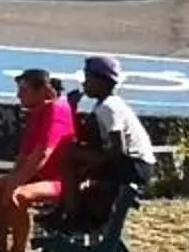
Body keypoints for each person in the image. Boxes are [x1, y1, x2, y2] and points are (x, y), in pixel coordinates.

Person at [0, 67, 77, 252]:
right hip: (42, 176)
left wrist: (16, 184)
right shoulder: (36, 113)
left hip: (63, 180)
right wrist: (11, 180)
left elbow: (43, 153)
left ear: (42, 91)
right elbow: (24, 156)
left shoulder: (56, 110)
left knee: (20, 195)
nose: (18, 95)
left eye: (24, 90)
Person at [58, 54, 158, 226]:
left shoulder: (109, 107)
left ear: (102, 82)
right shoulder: (105, 104)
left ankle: (71, 214)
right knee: (76, 152)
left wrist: (92, 164)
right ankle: (69, 208)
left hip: (134, 166)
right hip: (133, 164)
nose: (84, 84)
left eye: (88, 79)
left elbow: (118, 149)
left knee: (69, 154)